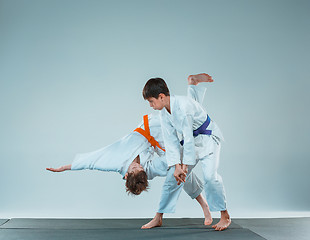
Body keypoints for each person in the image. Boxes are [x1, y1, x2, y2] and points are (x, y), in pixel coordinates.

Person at [46, 79, 213, 227]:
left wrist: (65, 167)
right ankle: (203, 205)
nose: (137, 165)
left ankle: (193, 87)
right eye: (139, 169)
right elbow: (170, 166)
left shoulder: (115, 162)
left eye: (134, 168)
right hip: (159, 141)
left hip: (150, 127)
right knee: (178, 173)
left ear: (126, 174)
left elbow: (91, 161)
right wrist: (180, 167)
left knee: (185, 117)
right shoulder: (147, 170)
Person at [142, 73, 231, 231]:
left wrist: (183, 166)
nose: (150, 105)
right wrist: (176, 166)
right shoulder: (164, 112)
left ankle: (225, 215)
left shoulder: (183, 108)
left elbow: (188, 139)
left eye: (151, 101)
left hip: (208, 138)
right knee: (173, 176)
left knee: (210, 177)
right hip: (192, 139)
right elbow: (171, 141)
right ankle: (159, 217)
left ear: (161, 96)